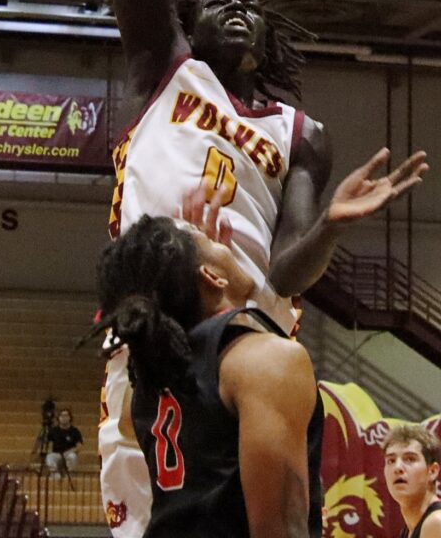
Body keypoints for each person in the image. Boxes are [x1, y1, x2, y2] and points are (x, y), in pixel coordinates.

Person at [102, 0, 430, 536]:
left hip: (248, 321)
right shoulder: (163, 68)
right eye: (219, 1)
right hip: (158, 317)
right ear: (187, 23)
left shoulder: (301, 133)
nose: (239, 7)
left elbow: (286, 268)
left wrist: (329, 230)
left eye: (252, 2)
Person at [93, 202, 324, 538]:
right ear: (211, 277)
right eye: (216, 244)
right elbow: (279, 531)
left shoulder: (147, 385)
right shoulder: (267, 361)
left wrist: (201, 259)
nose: (229, 245)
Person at [382, 425, 441, 538]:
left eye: (410, 459)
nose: (397, 468)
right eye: (391, 461)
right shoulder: (409, 530)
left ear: (432, 471)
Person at [45, 408, 83, 478]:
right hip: (57, 454)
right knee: (49, 457)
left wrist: (69, 452)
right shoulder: (53, 430)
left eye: (66, 416)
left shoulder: (75, 431)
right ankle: (55, 476)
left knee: (73, 457)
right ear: (58, 418)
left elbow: (79, 446)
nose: (64, 418)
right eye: (62, 416)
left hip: (69, 454)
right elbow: (49, 443)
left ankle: (70, 476)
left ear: (69, 418)